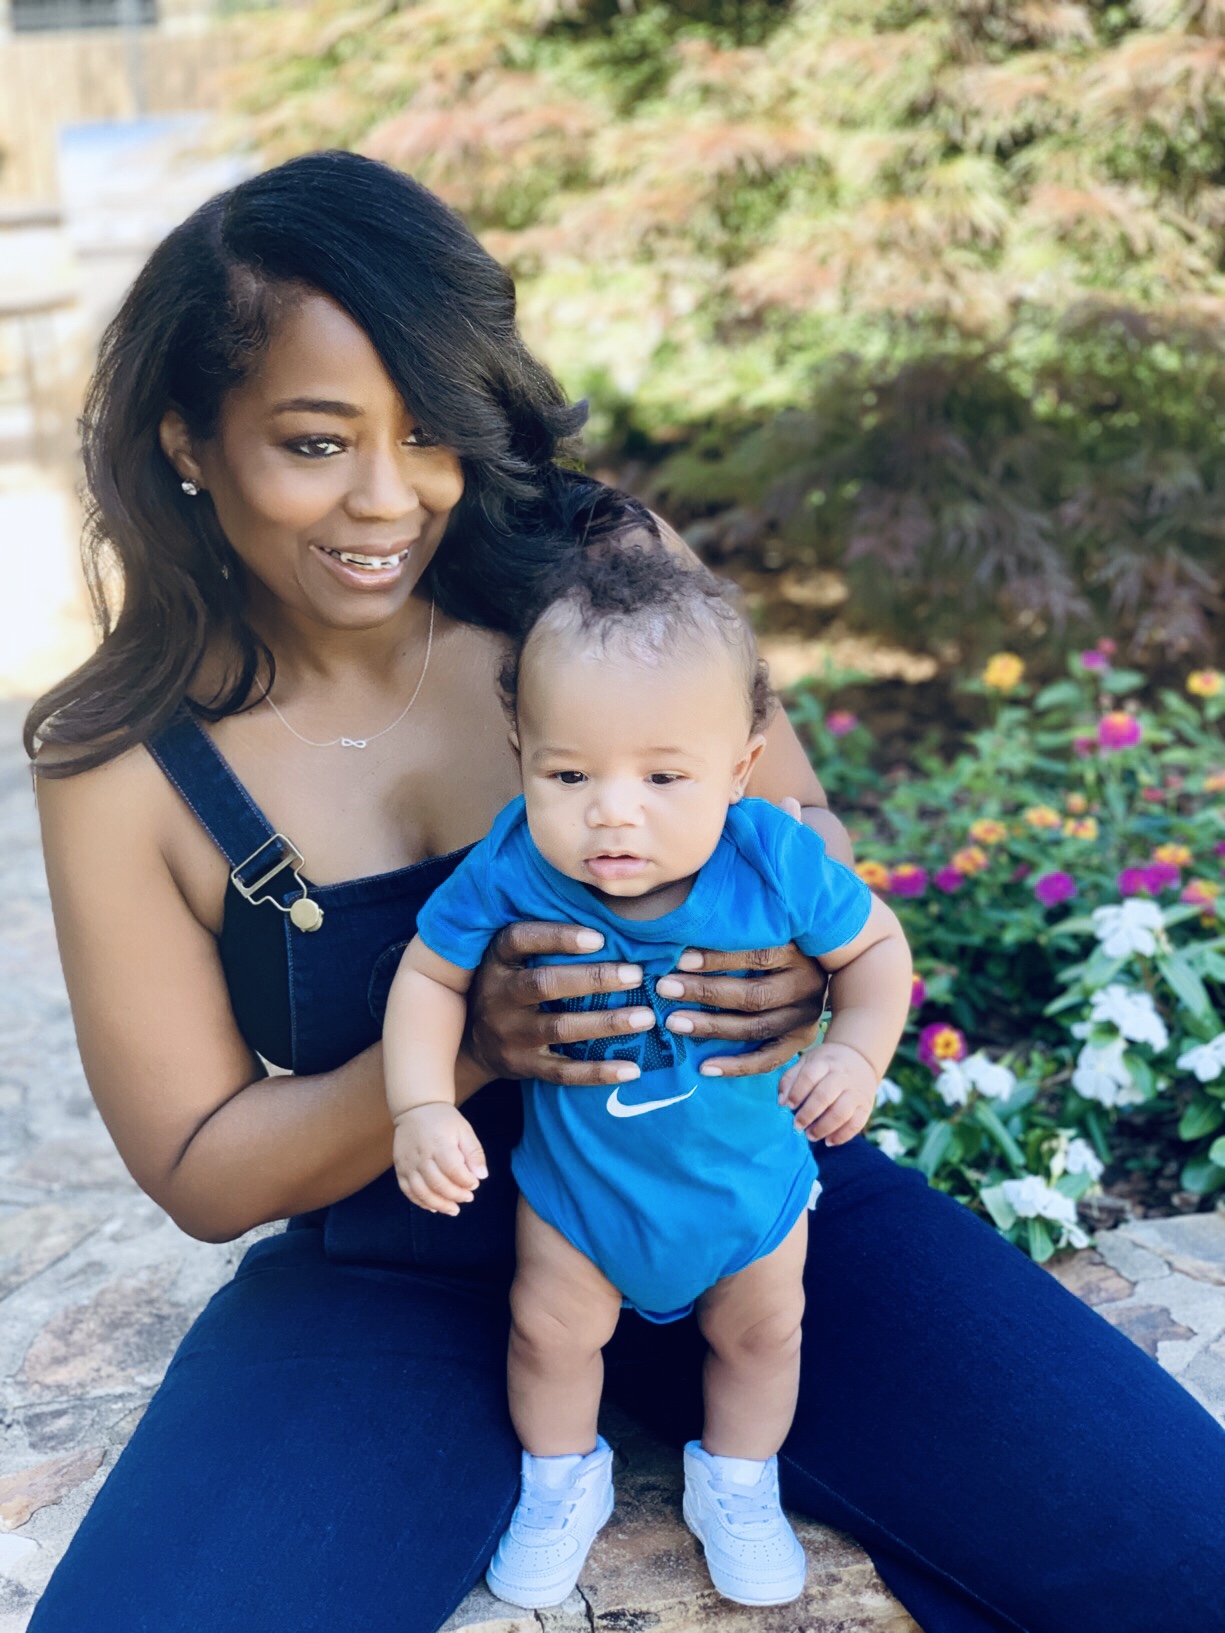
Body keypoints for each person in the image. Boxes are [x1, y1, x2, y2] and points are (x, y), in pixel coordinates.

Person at [22, 149, 1225, 1633]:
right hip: (405, 1276)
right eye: (317, 442)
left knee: (1186, 1552)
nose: (390, 497)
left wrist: (806, 979)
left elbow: (796, 825)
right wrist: (471, 1046)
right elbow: (200, 1166)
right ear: (188, 441)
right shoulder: (124, 760)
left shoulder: (598, 570)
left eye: (431, 430)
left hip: (748, 1201)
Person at [385, 542, 913, 1610]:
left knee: (762, 1334)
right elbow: (429, 976)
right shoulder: (513, 865)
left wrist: (856, 1050)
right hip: (581, 1196)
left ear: (741, 766)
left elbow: (877, 951)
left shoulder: (774, 859)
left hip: (747, 1190)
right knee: (548, 1333)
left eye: (663, 777)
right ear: (520, 752)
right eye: (569, 775)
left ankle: (738, 1482)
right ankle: (559, 1481)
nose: (612, 812)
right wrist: (421, 1103)